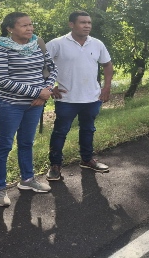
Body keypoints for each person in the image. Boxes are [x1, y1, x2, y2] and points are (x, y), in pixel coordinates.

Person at [0, 12, 58, 207]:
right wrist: (37, 92)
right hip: (9, 105)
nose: (30, 28)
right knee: (4, 146)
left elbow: (52, 69)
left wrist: (46, 91)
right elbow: (3, 81)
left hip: (34, 105)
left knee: (26, 143)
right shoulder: (1, 48)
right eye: (24, 25)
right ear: (10, 28)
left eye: (31, 24)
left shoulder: (37, 43)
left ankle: (27, 179)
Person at [45, 10, 113, 181]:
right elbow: (41, 66)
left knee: (88, 129)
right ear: (71, 24)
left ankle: (87, 159)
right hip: (66, 98)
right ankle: (55, 165)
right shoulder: (57, 44)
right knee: (60, 131)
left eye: (89, 23)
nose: (87, 26)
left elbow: (107, 65)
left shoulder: (97, 44)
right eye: (83, 22)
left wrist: (106, 88)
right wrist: (49, 87)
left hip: (92, 97)